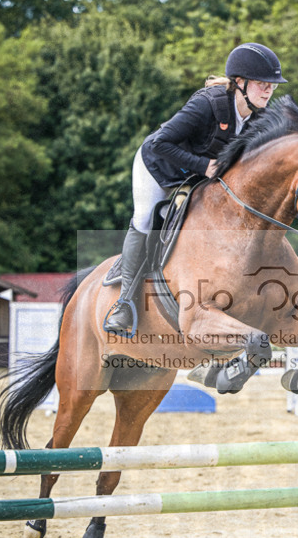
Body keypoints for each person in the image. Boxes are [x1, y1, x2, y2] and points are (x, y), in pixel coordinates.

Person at [104, 42, 287, 334]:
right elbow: (159, 144)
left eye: (272, 86)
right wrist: (203, 166)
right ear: (239, 83)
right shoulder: (208, 103)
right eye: (262, 84)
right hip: (159, 166)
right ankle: (124, 303)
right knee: (145, 217)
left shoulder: (260, 117)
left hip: (198, 177)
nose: (269, 91)